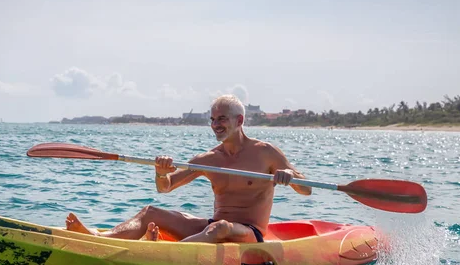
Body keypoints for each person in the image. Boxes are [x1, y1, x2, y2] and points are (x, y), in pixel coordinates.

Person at [66, 94, 311, 243]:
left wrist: (290, 176)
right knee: (151, 211)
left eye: (222, 119)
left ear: (240, 121)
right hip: (212, 226)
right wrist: (160, 173)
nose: (215, 125)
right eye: (213, 120)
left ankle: (161, 253)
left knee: (220, 228)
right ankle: (99, 238)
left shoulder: (265, 152)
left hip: (250, 233)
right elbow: (166, 187)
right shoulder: (208, 159)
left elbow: (306, 190)